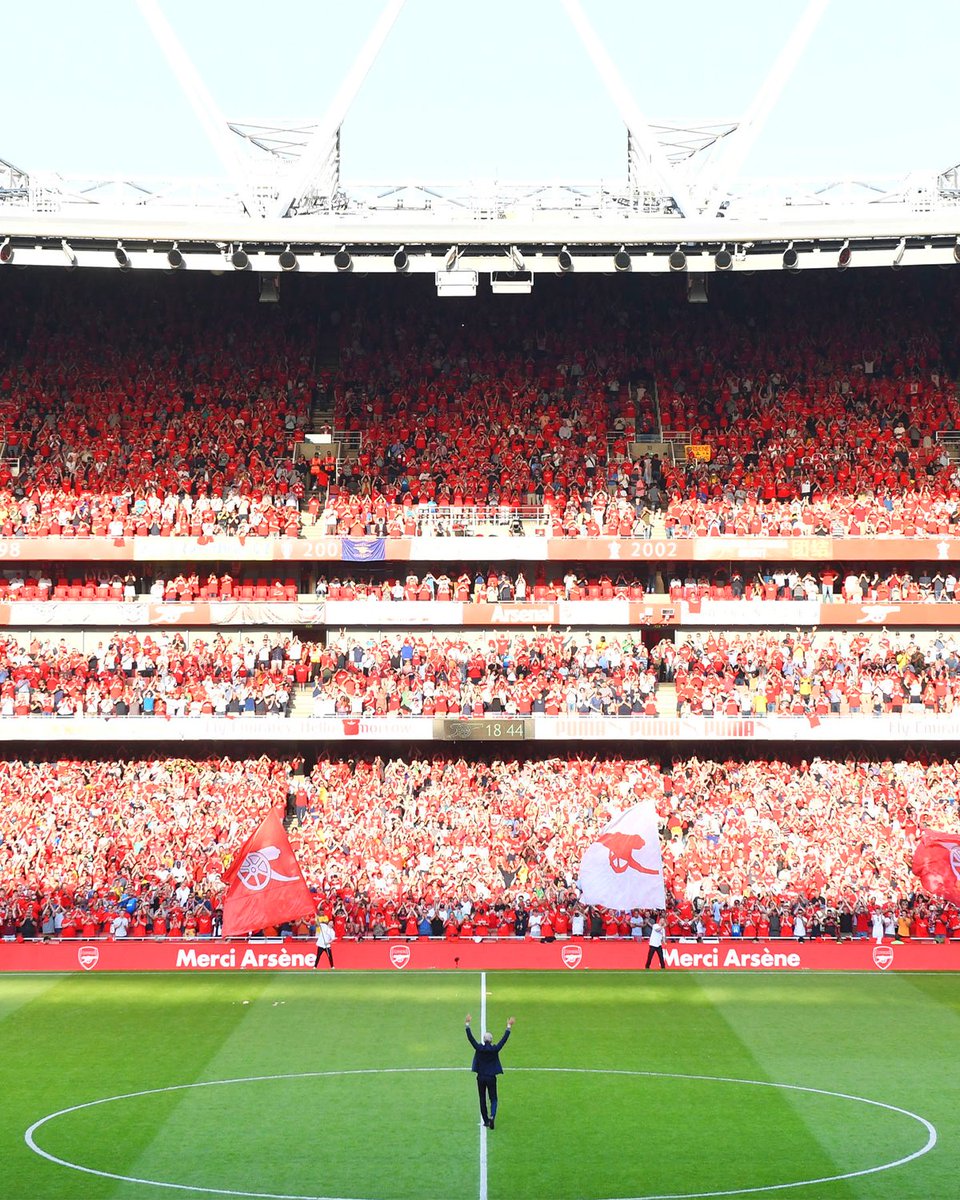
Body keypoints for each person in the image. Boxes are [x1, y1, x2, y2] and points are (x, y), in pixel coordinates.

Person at [465, 1012, 515, 1129]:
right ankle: (492, 1115)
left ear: (483, 1040)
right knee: (493, 1098)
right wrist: (508, 1027)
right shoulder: (495, 1049)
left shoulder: (479, 1048)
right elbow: (504, 1040)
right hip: (491, 1077)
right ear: (491, 1040)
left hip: (481, 1077)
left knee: (482, 1098)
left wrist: (467, 1024)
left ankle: (486, 1120)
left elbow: (470, 1039)